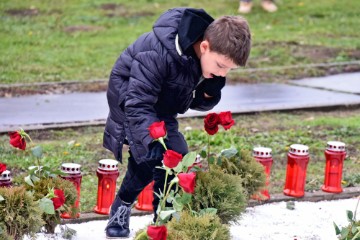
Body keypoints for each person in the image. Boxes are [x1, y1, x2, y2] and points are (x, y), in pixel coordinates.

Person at [103, 7, 251, 238]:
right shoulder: (158, 52)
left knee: (173, 157)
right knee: (153, 158)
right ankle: (143, 216)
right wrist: (150, 140)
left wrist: (208, 94)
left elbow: (186, 98)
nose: (222, 74)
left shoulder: (205, 54)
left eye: (228, 70)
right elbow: (138, 103)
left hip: (161, 107)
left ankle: (161, 222)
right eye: (221, 66)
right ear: (204, 47)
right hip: (130, 100)